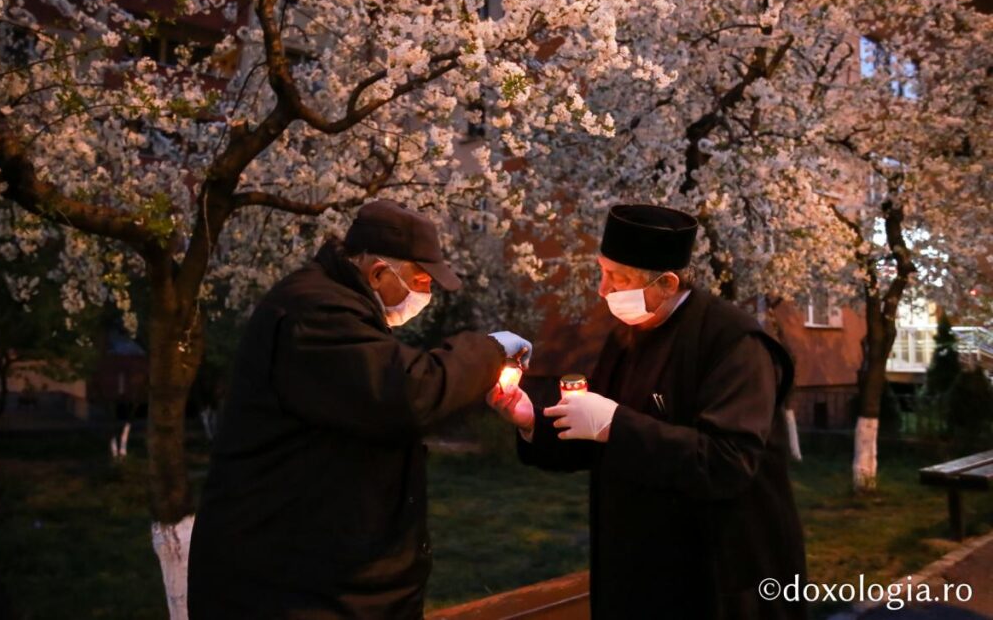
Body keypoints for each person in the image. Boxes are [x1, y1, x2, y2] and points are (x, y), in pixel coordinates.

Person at [189, 199, 533, 619]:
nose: (425, 295)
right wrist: (490, 351)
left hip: (315, 577)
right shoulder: (316, 313)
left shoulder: (333, 305)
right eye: (420, 281)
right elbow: (408, 393)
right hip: (290, 590)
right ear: (378, 273)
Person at [488, 204, 807, 619]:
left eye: (618, 278)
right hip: (636, 572)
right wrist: (533, 421)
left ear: (667, 283)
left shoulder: (733, 343)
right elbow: (596, 436)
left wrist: (615, 424)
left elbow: (726, 462)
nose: (602, 289)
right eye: (602, 272)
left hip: (715, 578)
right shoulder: (627, 337)